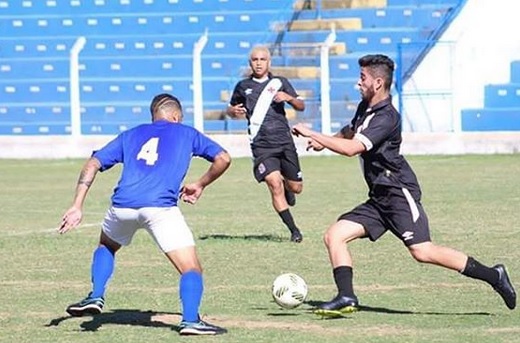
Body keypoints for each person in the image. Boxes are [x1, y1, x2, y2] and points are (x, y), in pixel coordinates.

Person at [291, 54, 516, 316]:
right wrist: (326, 140)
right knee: (334, 235)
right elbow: (351, 130)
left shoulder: (387, 117)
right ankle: (346, 296)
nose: (357, 83)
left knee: (422, 251)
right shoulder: (366, 107)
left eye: (362, 78)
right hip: (378, 196)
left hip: (399, 193)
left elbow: (352, 148)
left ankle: (494, 275)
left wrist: (313, 134)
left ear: (377, 82)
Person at [58, 93, 232, 335]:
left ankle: (96, 296)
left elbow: (93, 163)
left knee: (107, 245)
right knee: (191, 268)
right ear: (176, 116)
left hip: (122, 207)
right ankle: (191, 321)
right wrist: (201, 184)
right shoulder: (187, 133)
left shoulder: (130, 134)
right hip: (160, 209)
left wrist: (77, 205)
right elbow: (224, 158)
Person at [226, 45, 305, 243]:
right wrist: (232, 112)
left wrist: (288, 98)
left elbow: (301, 105)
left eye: (262, 59)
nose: (259, 63)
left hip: (284, 142)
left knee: (296, 188)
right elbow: (230, 108)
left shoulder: (280, 83)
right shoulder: (243, 86)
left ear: (269, 62)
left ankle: (289, 187)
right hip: (261, 146)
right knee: (273, 183)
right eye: (255, 60)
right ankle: (294, 230)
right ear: (250, 63)